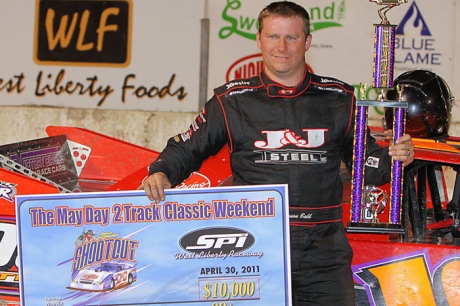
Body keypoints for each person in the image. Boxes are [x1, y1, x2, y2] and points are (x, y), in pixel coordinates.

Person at [141, 1, 414, 305]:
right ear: (259, 40)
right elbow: (187, 147)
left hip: (323, 256)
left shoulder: (339, 99)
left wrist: (397, 157)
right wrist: (161, 171)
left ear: (307, 41)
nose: (281, 47)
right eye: (273, 37)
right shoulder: (231, 101)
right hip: (252, 250)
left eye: (292, 37)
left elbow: (372, 168)